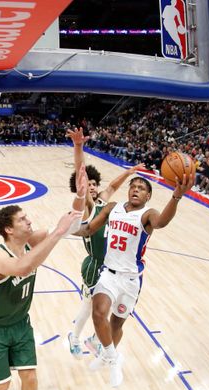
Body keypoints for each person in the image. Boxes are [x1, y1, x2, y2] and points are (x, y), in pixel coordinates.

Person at [0, 184, 85, 390]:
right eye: (23, 219)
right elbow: (23, 268)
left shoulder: (31, 241)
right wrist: (55, 233)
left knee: (31, 377)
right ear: (9, 229)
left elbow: (70, 225)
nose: (29, 221)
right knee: (2, 384)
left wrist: (79, 196)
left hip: (21, 324)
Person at [78, 168, 193, 387]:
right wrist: (62, 231)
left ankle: (105, 355)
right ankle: (112, 360)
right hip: (109, 273)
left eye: (141, 188)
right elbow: (89, 229)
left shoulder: (148, 214)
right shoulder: (113, 208)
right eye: (133, 187)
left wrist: (176, 197)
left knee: (116, 325)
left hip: (131, 279)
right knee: (98, 312)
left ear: (148, 196)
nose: (136, 190)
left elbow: (162, 222)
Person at [65, 127, 146, 359]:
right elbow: (80, 171)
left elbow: (113, 186)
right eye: (87, 184)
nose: (91, 186)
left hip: (112, 265)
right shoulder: (89, 205)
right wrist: (78, 148)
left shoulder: (104, 201)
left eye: (93, 183)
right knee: (90, 306)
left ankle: (92, 339)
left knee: (107, 304)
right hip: (95, 264)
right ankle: (74, 336)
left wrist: (129, 172)